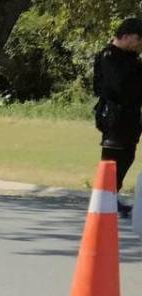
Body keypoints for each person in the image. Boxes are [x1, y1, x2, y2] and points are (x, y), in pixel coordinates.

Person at [94, 17, 142, 216]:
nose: (139, 46)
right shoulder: (108, 56)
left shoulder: (131, 58)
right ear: (128, 36)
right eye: (139, 40)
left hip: (131, 116)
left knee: (127, 156)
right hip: (114, 116)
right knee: (112, 159)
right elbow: (119, 86)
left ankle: (112, 196)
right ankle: (104, 199)